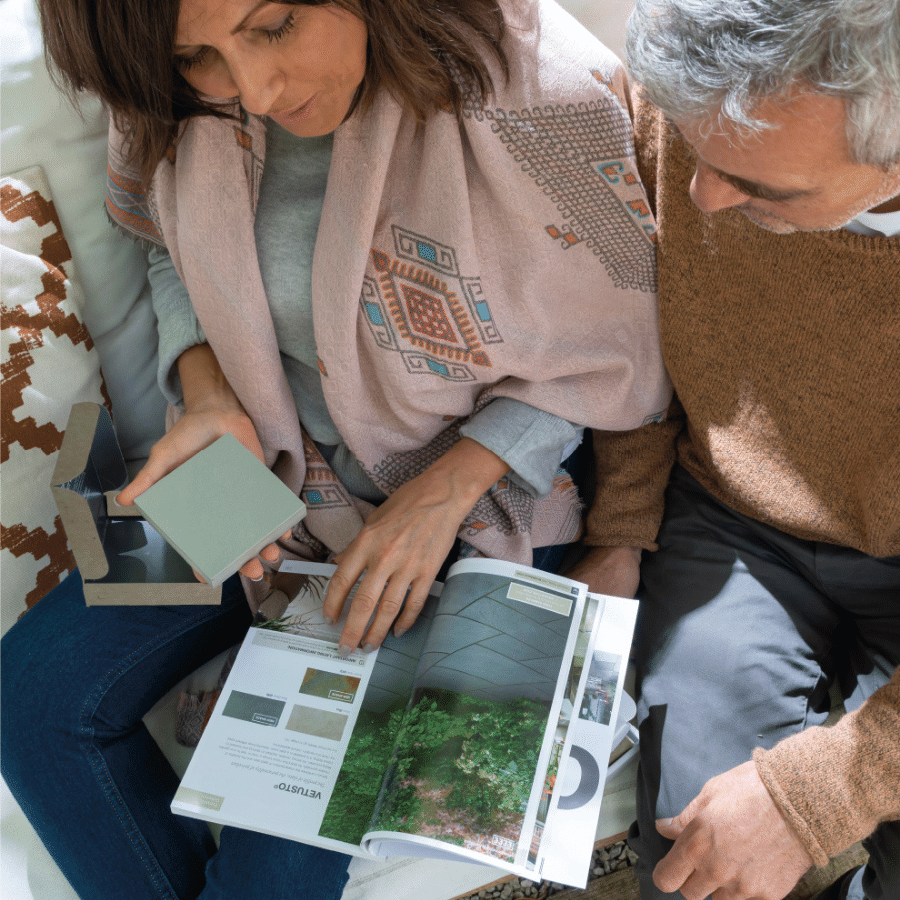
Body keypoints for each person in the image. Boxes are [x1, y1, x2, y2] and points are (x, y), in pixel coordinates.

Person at [1, 1, 670, 898]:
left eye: (274, 26)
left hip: (477, 509)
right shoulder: (169, 85)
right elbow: (160, 242)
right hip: (244, 468)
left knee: (275, 876)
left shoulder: (546, 92)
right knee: (33, 698)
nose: (254, 89)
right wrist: (205, 394)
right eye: (199, 56)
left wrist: (446, 490)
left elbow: (629, 344)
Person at [569, 0, 900, 898]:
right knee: (694, 864)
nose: (702, 201)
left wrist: (820, 792)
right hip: (735, 525)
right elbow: (634, 336)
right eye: (693, 151)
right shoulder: (697, 110)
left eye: (760, 188)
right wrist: (622, 532)